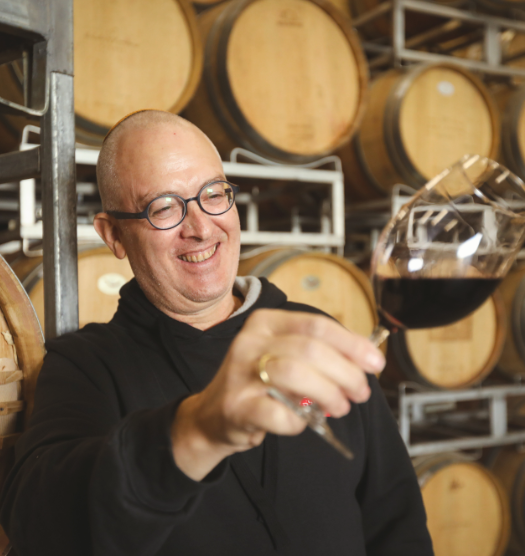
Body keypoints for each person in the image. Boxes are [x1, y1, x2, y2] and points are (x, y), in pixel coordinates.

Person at [0, 110, 434, 555]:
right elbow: (41, 524)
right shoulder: (86, 366)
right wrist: (197, 430)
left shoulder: (313, 335)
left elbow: (395, 519)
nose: (202, 228)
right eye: (164, 207)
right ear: (114, 236)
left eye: (213, 194)